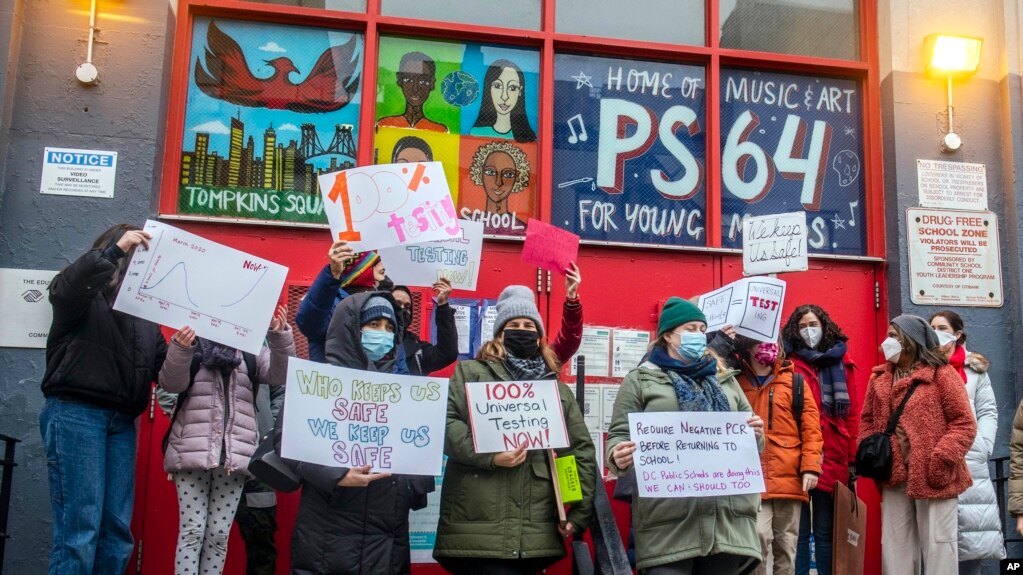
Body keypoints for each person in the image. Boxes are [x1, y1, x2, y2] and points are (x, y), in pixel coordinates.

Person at [434, 285, 596, 574]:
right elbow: (445, 425)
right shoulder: (470, 373)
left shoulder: (554, 387)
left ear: (538, 335)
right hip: (477, 521)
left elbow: (578, 449)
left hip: (536, 528)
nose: (522, 330)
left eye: (528, 325)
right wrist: (491, 456)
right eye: (513, 325)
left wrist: (578, 511)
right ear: (499, 333)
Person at [40, 224, 168, 574]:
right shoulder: (84, 295)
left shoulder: (146, 317)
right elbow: (65, 291)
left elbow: (167, 374)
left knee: (116, 535)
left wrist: (188, 348)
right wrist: (115, 251)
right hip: (76, 413)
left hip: (121, 421)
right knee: (79, 532)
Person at [606, 297, 765, 574]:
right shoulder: (640, 380)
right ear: (668, 335)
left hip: (725, 525)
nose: (699, 335)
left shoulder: (725, 379)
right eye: (690, 328)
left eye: (702, 329)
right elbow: (619, 435)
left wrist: (756, 433)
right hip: (668, 526)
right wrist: (617, 456)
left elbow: (752, 440)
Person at [289, 292, 431, 574]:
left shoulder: (406, 391)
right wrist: (337, 474)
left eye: (390, 328)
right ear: (352, 328)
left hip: (387, 538)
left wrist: (412, 485)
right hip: (329, 536)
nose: (383, 334)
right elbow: (288, 443)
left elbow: (417, 450)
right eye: (374, 325)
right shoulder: (320, 382)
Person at [160, 306, 294, 575]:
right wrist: (180, 349)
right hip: (192, 452)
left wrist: (279, 336)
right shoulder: (192, 341)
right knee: (192, 532)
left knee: (219, 536)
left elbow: (281, 374)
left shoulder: (250, 348)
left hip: (236, 454)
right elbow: (169, 385)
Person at [858, 314, 976, 575]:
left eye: (893, 336)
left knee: (939, 551)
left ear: (909, 341)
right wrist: (869, 448)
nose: (886, 341)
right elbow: (867, 420)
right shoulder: (878, 378)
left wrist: (941, 458)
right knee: (895, 550)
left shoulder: (941, 374)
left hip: (935, 477)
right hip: (894, 476)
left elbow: (964, 423)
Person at [734, 336, 823, 575]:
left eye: (772, 341)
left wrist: (811, 467)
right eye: (760, 342)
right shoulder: (735, 381)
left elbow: (811, 428)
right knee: (757, 540)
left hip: (790, 476)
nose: (767, 347)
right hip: (751, 478)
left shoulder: (795, 382)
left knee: (786, 544)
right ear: (747, 347)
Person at [781, 304, 859, 575]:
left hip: (833, 454)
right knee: (798, 533)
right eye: (802, 326)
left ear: (824, 326)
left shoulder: (842, 362)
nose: (808, 331)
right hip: (796, 456)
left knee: (827, 533)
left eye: (813, 324)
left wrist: (852, 460)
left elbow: (851, 415)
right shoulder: (785, 362)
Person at [929, 311, 1005, 574]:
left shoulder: (974, 370)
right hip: (937, 458)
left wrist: (983, 444)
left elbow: (988, 411)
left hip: (971, 458)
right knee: (938, 538)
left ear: (957, 334)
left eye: (942, 327)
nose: (936, 331)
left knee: (973, 535)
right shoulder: (926, 367)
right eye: (933, 327)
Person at [296, 241, 381, 362]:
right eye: (380, 272)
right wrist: (333, 273)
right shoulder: (330, 305)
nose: (384, 278)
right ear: (363, 274)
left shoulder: (380, 303)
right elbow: (309, 323)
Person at [392, 279, 458, 376]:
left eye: (407, 306)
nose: (402, 309)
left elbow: (447, 354)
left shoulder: (418, 350)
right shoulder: (369, 341)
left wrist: (443, 305)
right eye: (397, 304)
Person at [377, 51, 448, 132]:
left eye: (423, 81)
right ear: (399, 80)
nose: (415, 88)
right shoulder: (385, 124)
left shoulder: (439, 130)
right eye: (408, 79)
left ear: (432, 83)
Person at [469, 59, 536, 143]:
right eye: (497, 86)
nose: (504, 96)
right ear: (489, 88)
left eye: (512, 88)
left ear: (520, 91)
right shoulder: (477, 133)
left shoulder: (527, 138)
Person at [467, 140, 530, 218]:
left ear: (517, 177)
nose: (498, 182)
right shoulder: (466, 222)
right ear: (480, 173)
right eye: (490, 172)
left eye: (508, 174)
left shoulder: (522, 228)